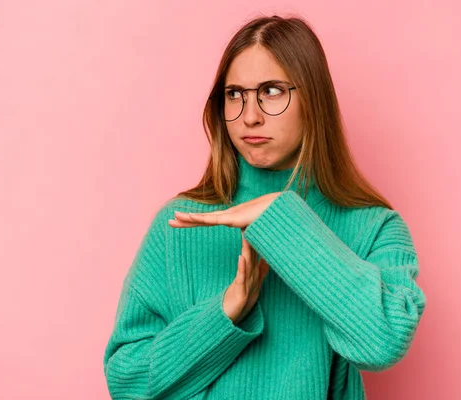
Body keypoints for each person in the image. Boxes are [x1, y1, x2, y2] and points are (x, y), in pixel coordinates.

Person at [103, 14, 426, 400]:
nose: (250, 116)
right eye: (235, 94)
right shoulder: (179, 224)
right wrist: (225, 313)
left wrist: (280, 218)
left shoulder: (374, 226)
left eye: (272, 92)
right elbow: (125, 380)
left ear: (313, 99)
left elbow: (383, 341)